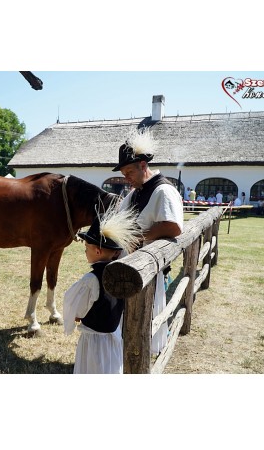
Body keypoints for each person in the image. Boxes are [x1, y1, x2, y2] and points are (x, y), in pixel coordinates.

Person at [113, 129, 184, 356]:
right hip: (129, 269)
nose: (127, 178)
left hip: (148, 270)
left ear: (143, 165)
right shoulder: (135, 193)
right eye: (124, 173)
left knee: (144, 320)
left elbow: (172, 226)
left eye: (130, 172)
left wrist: (139, 238)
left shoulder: (163, 191)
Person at [63, 206, 142, 374]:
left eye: (86, 247)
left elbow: (76, 309)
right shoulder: (121, 275)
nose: (85, 251)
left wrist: (74, 317)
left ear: (97, 250)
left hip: (94, 342)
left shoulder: (90, 280)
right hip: (113, 339)